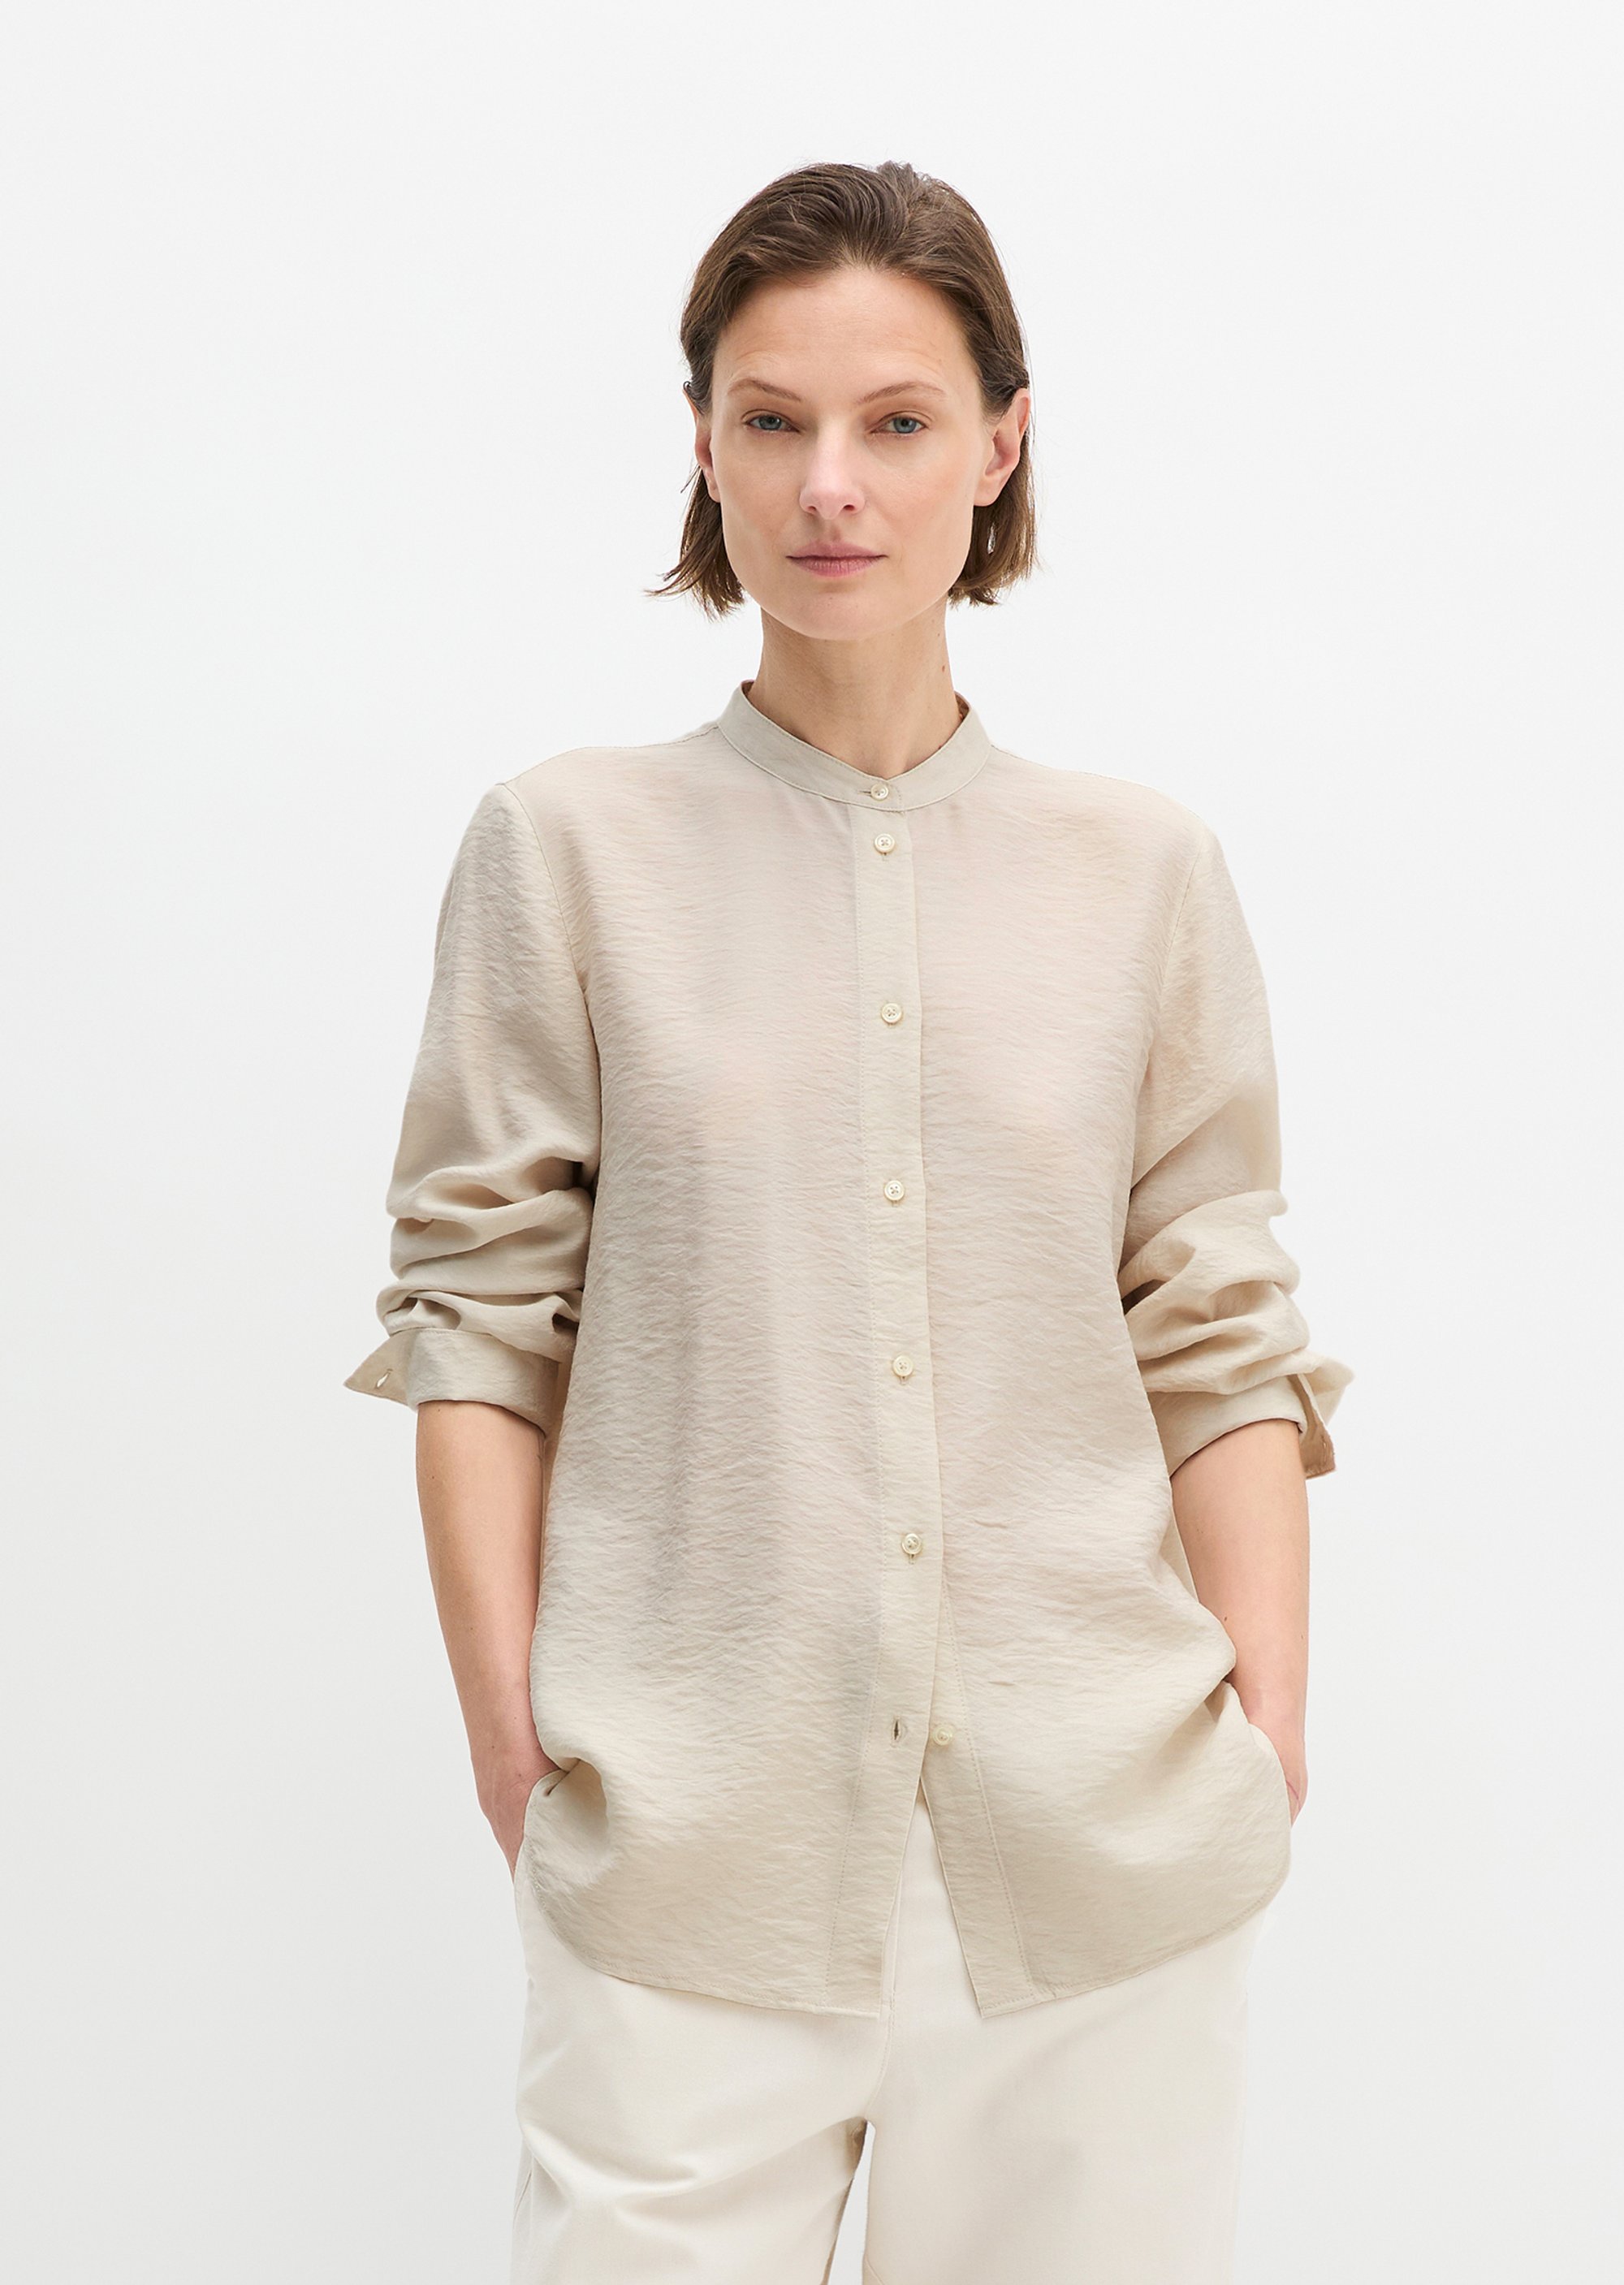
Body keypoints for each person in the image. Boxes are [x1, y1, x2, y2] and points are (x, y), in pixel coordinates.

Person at [345, 158, 1352, 2285]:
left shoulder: (1143, 873)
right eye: (772, 418)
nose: (830, 484)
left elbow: (1216, 1324)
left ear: (999, 444)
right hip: (687, 1850)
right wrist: (517, 1747)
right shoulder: (568, 850)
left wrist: (1262, 1730)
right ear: (703, 447)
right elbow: (478, 1323)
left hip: (1100, 1852)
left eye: (897, 420)